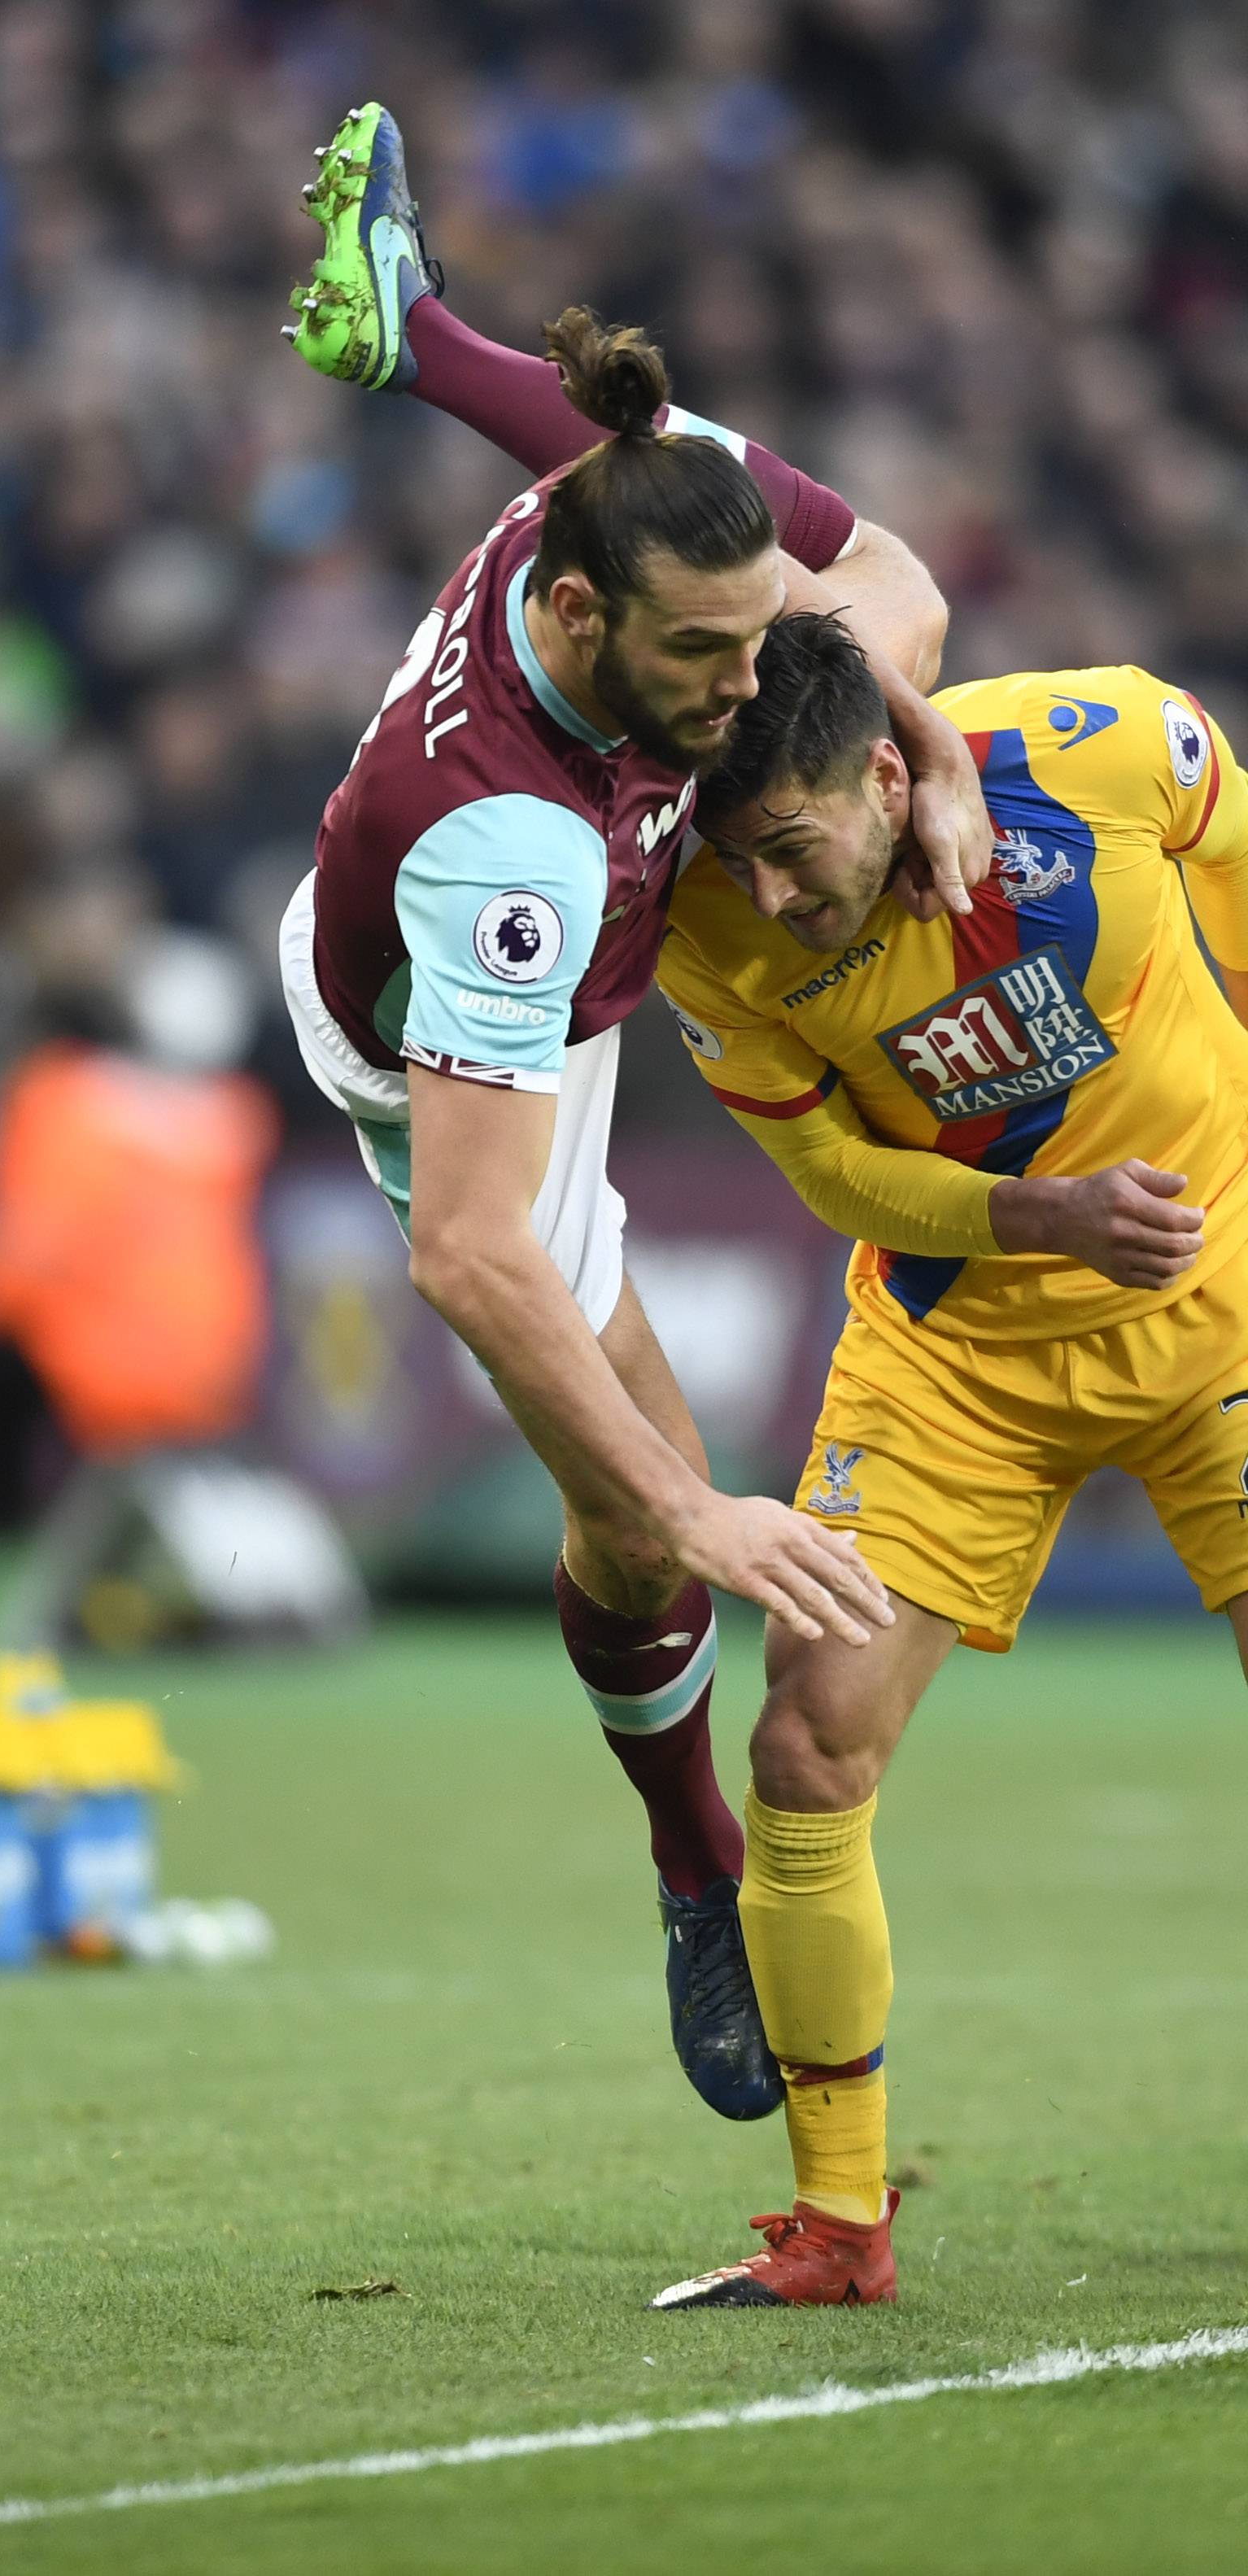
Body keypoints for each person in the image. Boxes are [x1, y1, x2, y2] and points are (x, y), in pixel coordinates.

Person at [281, 107, 990, 2124]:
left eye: (753, 630)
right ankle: (699, 1869)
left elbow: (892, 573)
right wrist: (697, 1507)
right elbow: (467, 1248)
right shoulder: (505, 843)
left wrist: (915, 734)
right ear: (579, 622)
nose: (749, 668)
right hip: (464, 1057)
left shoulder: (654, 515)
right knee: (634, 1519)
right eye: (710, 654)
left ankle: (387, 311)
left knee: (877, 669)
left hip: (581, 939)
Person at [646, 613, 1248, 2304]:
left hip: (1231, 1303)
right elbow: (837, 1178)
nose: (765, 893)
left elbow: (1237, 846)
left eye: (789, 846)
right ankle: (841, 2227)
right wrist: (1040, 1213)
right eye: (732, 854)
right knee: (808, 1745)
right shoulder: (709, 936)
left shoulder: (1100, 744)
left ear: (892, 769)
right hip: (955, 1357)